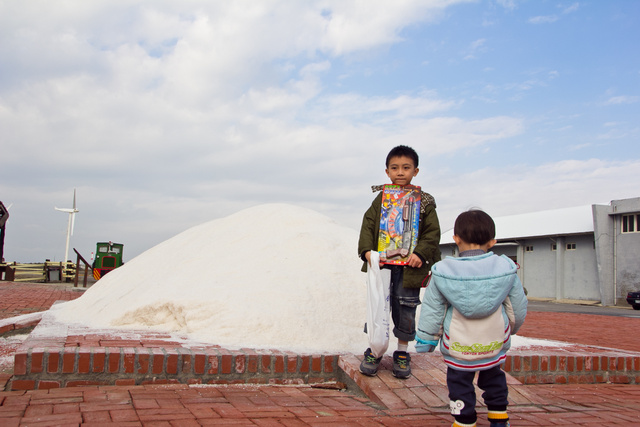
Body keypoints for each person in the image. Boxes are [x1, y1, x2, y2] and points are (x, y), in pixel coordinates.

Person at [416, 209, 527, 427]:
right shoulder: (506, 268)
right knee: (494, 376)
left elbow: (433, 309)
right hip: (493, 338)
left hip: (458, 340)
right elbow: (517, 306)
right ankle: (499, 416)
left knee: (459, 381)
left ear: (456, 238)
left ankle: (464, 421)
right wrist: (512, 328)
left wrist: (426, 340)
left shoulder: (443, 271)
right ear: (493, 241)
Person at [358, 145, 441, 379]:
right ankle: (374, 349)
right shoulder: (382, 198)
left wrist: (421, 254)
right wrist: (366, 251)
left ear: (416, 171)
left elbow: (432, 233)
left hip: (410, 269)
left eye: (406, 167)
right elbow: (369, 224)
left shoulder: (424, 201)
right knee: (378, 307)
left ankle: (402, 352)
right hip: (383, 266)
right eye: (395, 168)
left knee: (406, 307)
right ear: (387, 172)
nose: (400, 172)